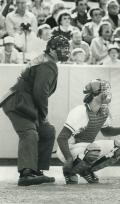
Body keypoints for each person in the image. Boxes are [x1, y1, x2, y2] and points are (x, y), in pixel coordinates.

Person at [0, 35, 70, 186]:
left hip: (23, 102)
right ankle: (26, 173)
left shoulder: (46, 60)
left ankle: (37, 170)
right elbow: (40, 93)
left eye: (66, 48)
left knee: (47, 131)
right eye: (61, 48)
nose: (65, 51)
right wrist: (43, 115)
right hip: (18, 101)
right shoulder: (48, 64)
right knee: (29, 133)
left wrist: (42, 119)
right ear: (51, 49)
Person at [56, 79, 120, 184]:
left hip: (85, 147)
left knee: (118, 147)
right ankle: (69, 172)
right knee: (93, 149)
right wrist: (68, 159)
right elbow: (61, 138)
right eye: (104, 90)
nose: (107, 93)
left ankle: (86, 171)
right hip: (67, 148)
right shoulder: (80, 111)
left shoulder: (104, 110)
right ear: (94, 94)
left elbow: (106, 131)